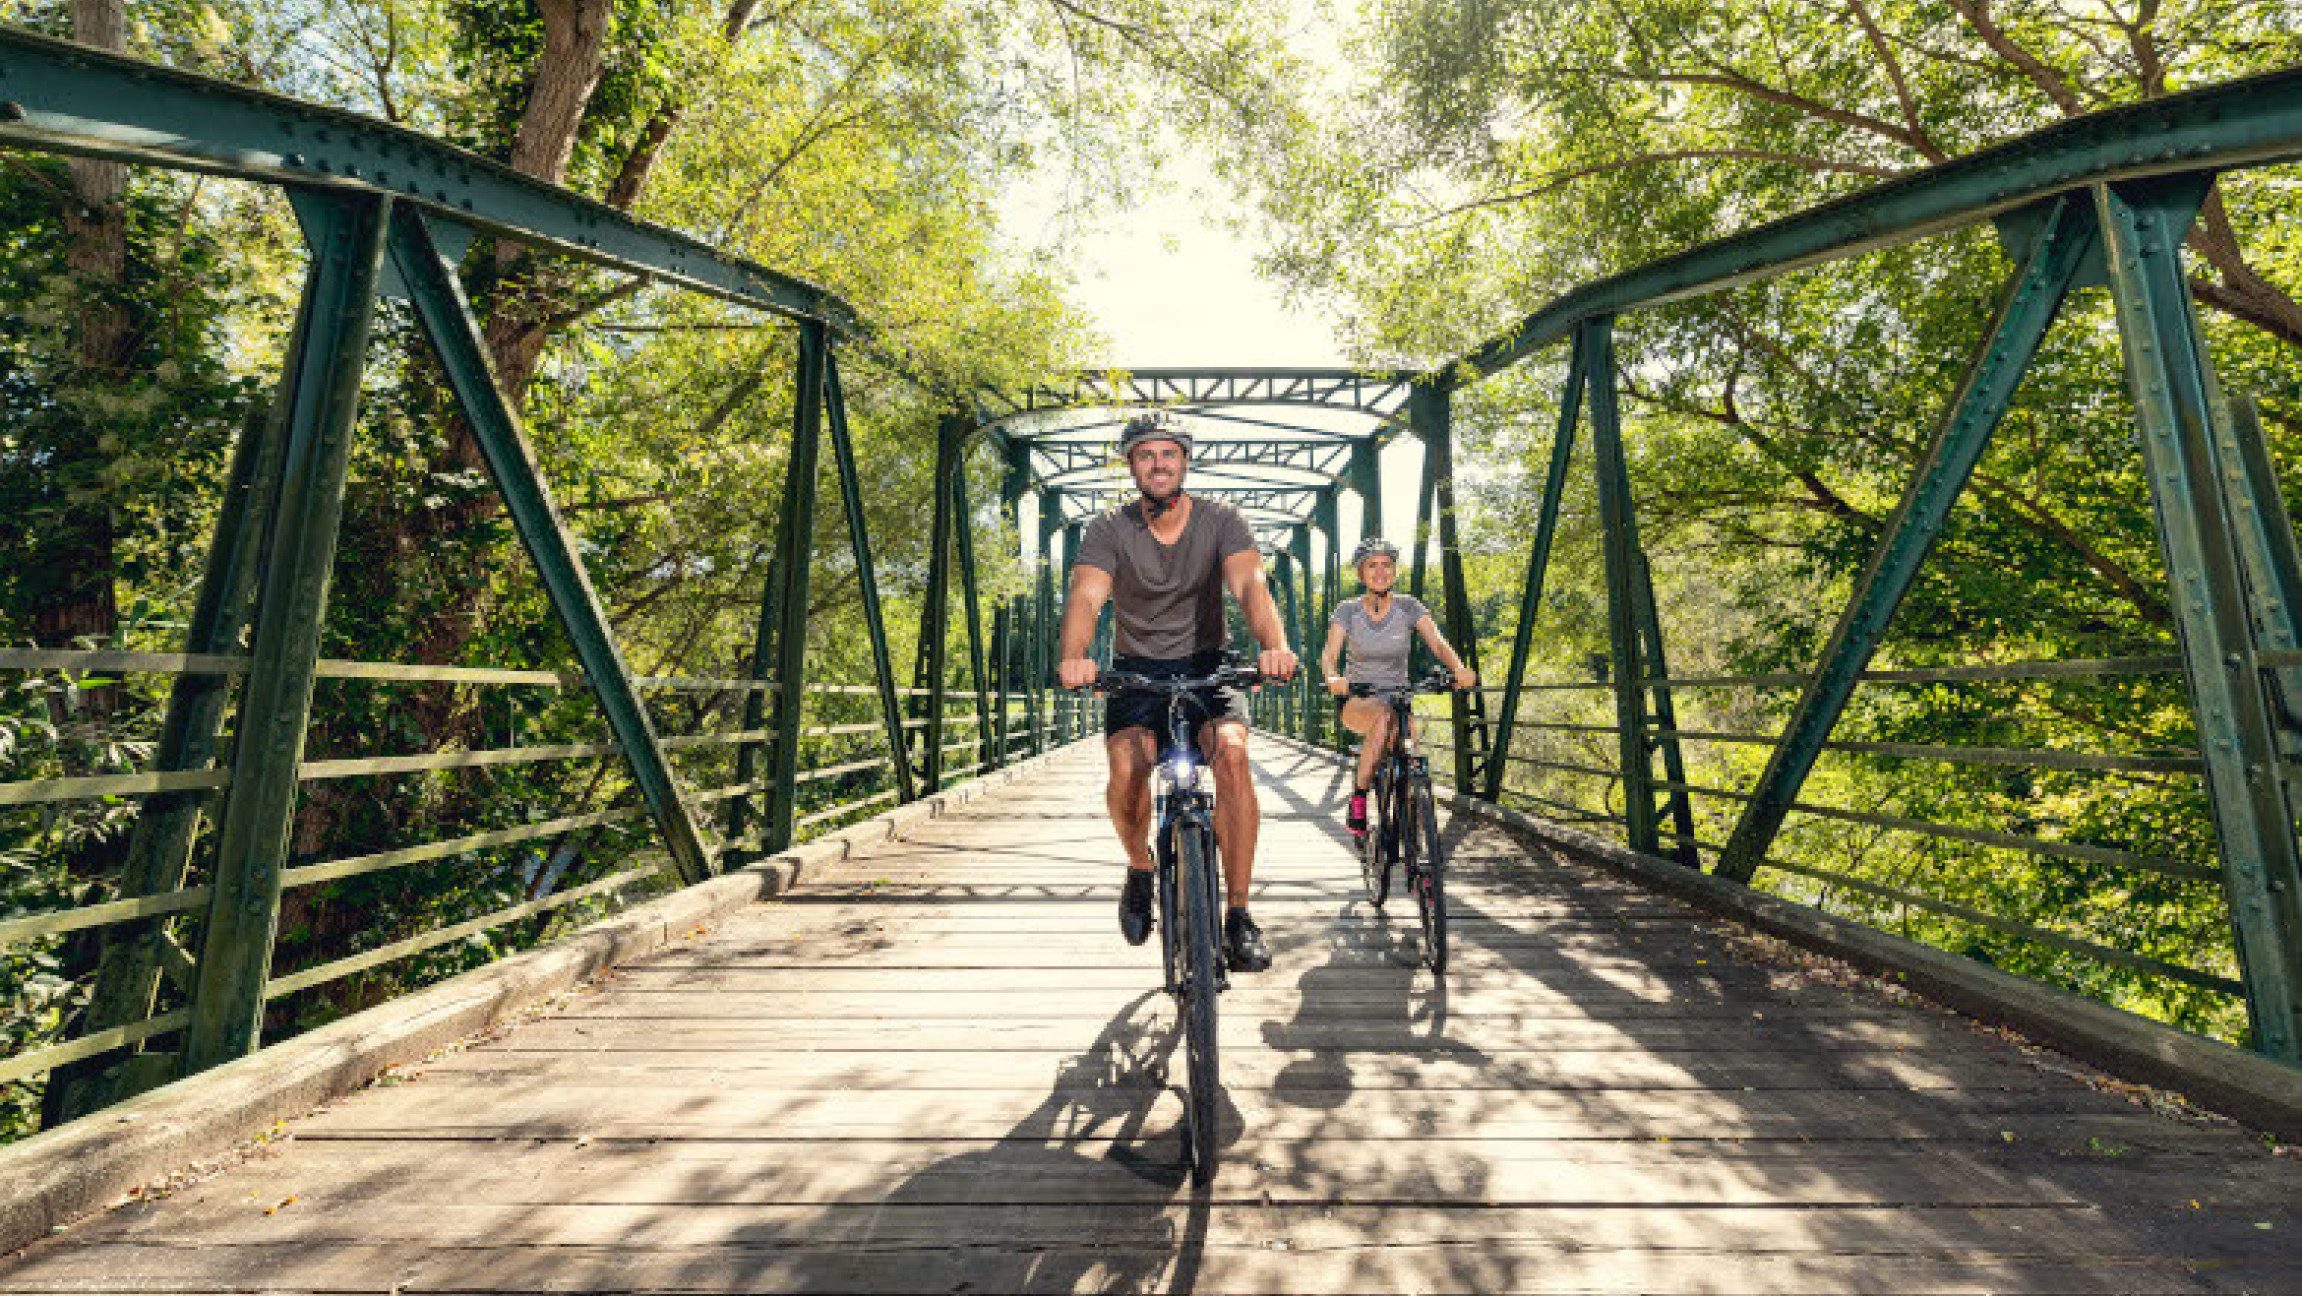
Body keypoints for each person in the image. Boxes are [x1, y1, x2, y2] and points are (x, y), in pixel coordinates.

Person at [1055, 410, 1300, 972]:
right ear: (1131, 465)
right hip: (1135, 670)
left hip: (1209, 666)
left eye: (1168, 454)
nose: (1157, 463)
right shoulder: (1108, 528)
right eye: (1145, 454)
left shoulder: (1221, 520)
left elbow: (1250, 584)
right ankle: (1140, 867)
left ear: (1185, 462)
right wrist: (1075, 657)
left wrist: (1274, 646)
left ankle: (1238, 914)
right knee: (1127, 768)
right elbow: (1088, 596)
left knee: (1233, 758)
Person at [1318, 537, 1476, 836]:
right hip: (1359, 700)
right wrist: (1332, 677)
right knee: (1382, 717)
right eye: (1372, 565)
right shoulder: (1348, 611)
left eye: (1386, 565)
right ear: (1360, 573)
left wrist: (1458, 668)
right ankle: (1359, 797)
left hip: (1399, 699)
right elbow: (1329, 654)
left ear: (1394, 570)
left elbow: (1438, 643)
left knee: (1412, 757)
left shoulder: (1408, 606)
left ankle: (1419, 851)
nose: (1380, 571)